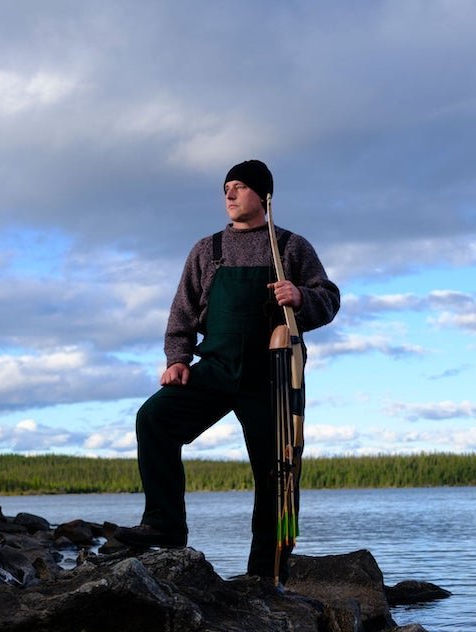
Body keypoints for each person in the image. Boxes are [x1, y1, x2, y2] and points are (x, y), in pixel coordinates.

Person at [112, 160, 340, 582]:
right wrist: (177, 360)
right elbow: (182, 311)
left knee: (277, 473)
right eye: (226, 188)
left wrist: (301, 296)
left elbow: (329, 299)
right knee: (154, 418)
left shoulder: (290, 247)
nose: (230, 195)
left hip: (272, 375)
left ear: (265, 197)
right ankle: (165, 523)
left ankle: (266, 574)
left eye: (239, 187)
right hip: (215, 367)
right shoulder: (207, 250)